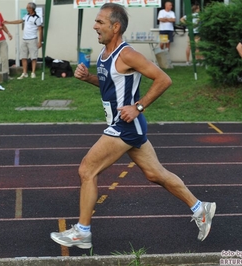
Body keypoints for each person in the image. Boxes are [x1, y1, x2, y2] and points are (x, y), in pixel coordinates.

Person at [50, 3, 216, 249]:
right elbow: (111, 85)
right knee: (154, 174)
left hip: (125, 125)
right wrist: (88, 79)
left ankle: (82, 232)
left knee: (87, 170)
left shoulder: (127, 54)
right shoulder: (105, 54)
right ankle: (200, 208)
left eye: (100, 22)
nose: (95, 26)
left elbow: (164, 79)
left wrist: (138, 106)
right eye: (95, 22)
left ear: (115, 27)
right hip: (127, 126)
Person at [4, 2, 43, 79]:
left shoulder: (37, 18)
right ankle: (24, 73)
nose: (27, 9)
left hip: (32, 39)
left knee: (33, 57)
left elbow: (40, 30)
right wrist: (9, 22)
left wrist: (40, 42)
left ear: (32, 8)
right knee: (23, 57)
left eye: (28, 8)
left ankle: (33, 72)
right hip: (24, 39)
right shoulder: (27, 15)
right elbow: (19, 21)